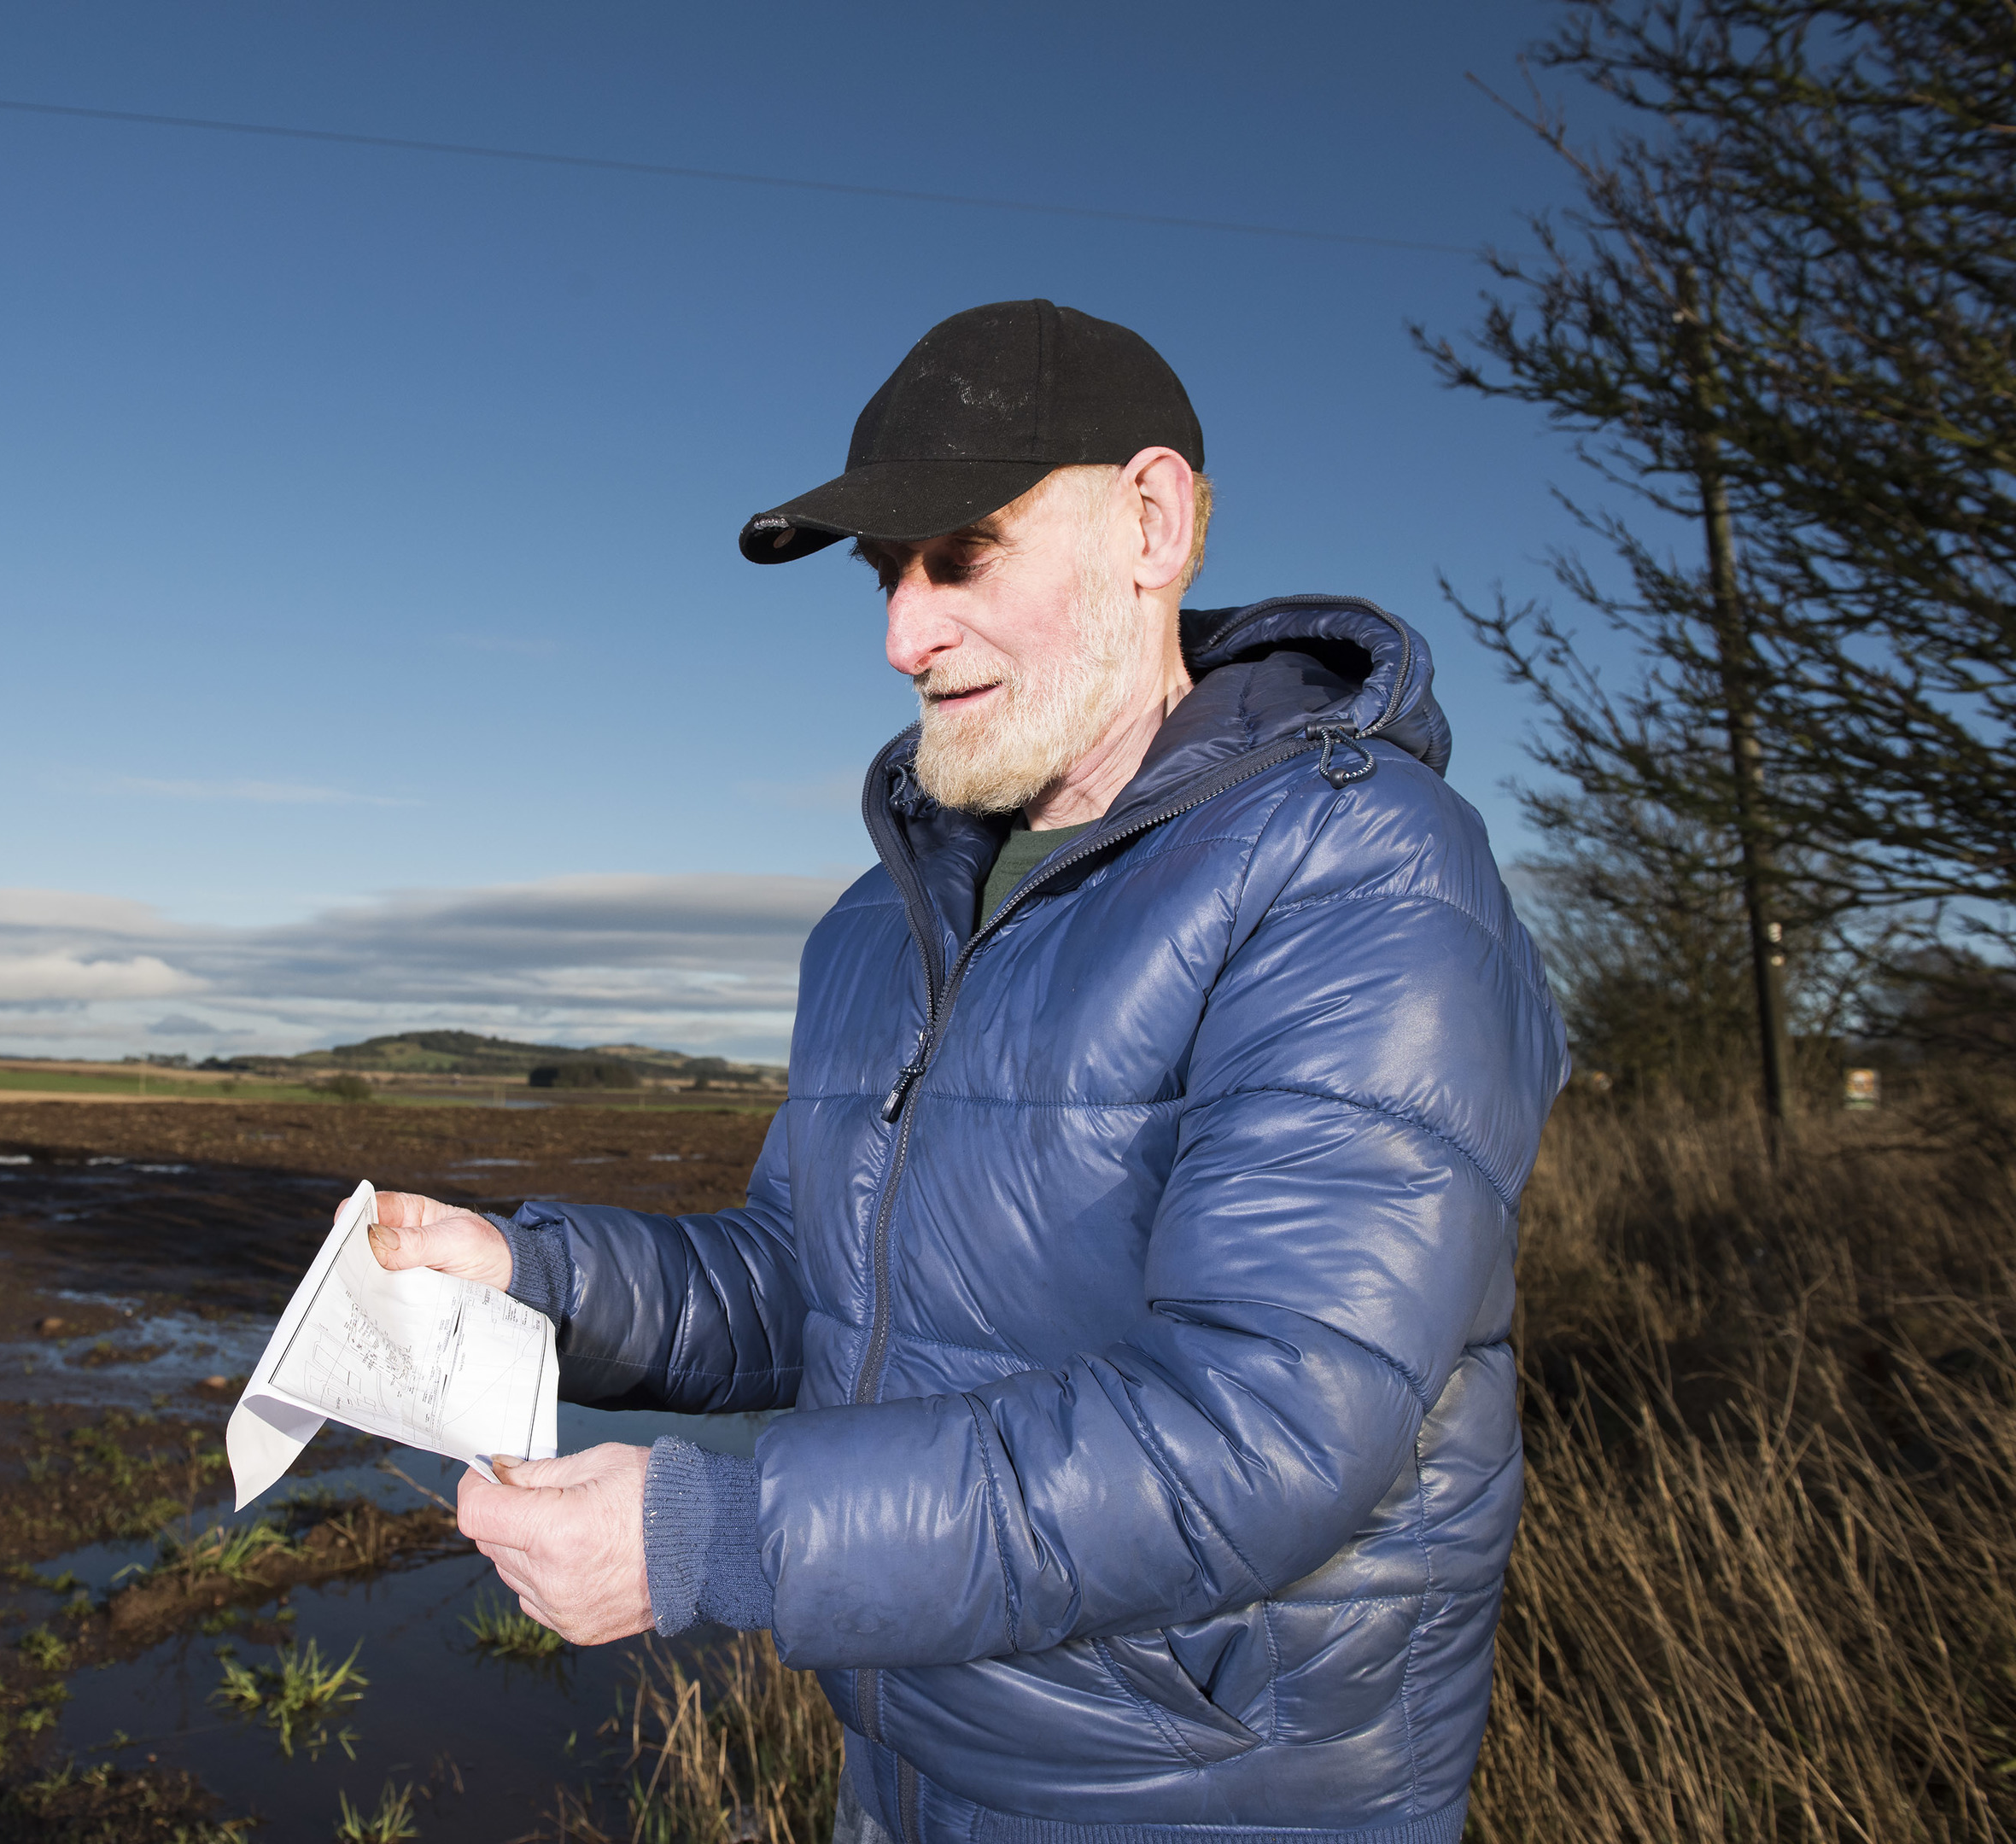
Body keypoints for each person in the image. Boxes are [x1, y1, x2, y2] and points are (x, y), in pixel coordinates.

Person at [370, 300, 1568, 1844]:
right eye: (887, 576)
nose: (900, 634)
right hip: (914, 1748)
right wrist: (535, 1277)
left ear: (1154, 521)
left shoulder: (1363, 873)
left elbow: (1268, 1424)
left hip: (1204, 1788)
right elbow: (812, 1281)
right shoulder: (880, 920)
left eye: (963, 554)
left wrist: (719, 1535)